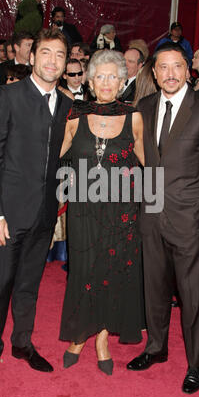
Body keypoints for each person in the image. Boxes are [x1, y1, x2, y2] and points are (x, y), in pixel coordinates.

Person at [126, 43, 199, 394]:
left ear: (189, 70)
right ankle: (155, 348)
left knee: (191, 296)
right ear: (153, 74)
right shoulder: (144, 107)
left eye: (177, 67)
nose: (169, 74)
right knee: (153, 290)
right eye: (163, 68)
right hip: (151, 216)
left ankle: (196, 362)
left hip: (189, 221)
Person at [0, 28, 73, 393]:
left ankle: (22, 343)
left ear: (65, 63)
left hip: (45, 214)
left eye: (59, 55)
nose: (52, 61)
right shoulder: (8, 95)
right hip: (7, 215)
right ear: (31, 57)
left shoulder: (66, 105)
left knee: (29, 286)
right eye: (45, 53)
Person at [59, 49, 145, 376]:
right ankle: (80, 334)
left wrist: (154, 210)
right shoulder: (75, 115)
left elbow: (148, 165)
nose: (106, 82)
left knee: (110, 272)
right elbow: (53, 157)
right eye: (100, 76)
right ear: (90, 82)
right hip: (82, 209)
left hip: (122, 212)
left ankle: (103, 338)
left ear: (122, 81)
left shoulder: (133, 116)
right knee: (82, 271)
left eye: (113, 76)